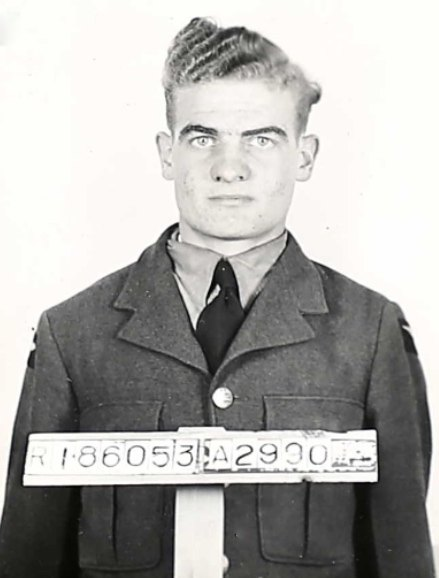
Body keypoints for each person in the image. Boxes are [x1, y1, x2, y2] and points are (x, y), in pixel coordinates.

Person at [0, 16, 434, 578]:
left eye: (261, 139)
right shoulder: (73, 333)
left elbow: (403, 555)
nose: (229, 168)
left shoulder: (369, 331)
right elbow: (27, 558)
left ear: (304, 156)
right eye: (203, 138)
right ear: (167, 154)